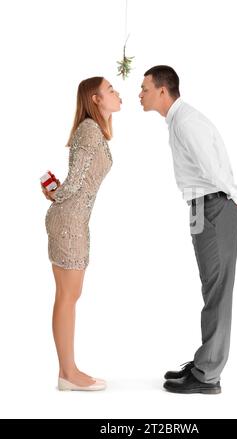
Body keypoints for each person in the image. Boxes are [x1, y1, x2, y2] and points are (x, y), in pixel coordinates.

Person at [139, 65, 237, 394]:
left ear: (163, 91)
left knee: (217, 291)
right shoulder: (178, 119)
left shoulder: (186, 121)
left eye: (145, 88)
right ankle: (206, 361)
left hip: (215, 208)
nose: (140, 94)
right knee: (212, 289)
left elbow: (211, 167)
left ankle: (208, 375)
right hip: (202, 208)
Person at [41, 77, 122, 391]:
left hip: (74, 219)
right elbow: (74, 183)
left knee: (69, 296)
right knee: (67, 296)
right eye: (111, 89)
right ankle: (68, 374)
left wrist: (57, 193)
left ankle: (68, 371)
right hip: (69, 222)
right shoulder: (89, 129)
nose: (117, 93)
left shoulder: (93, 130)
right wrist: (57, 194)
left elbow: (74, 181)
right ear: (95, 98)